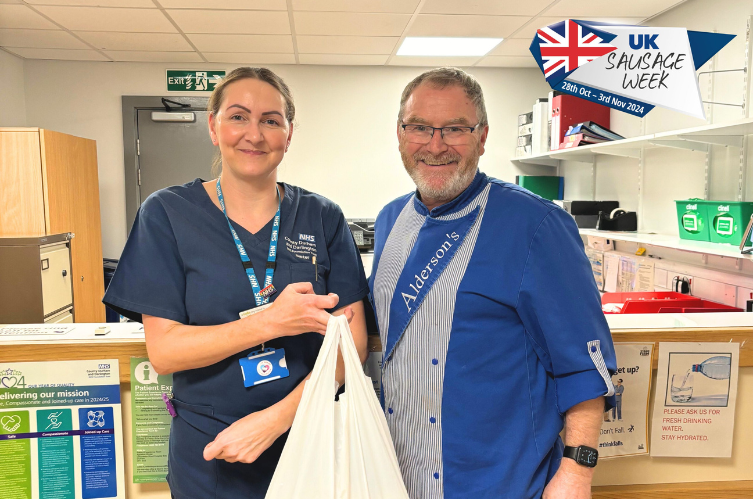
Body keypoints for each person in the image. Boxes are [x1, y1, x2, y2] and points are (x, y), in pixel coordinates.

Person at [103, 67, 369, 499]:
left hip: (309, 437)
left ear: (289, 132)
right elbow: (165, 351)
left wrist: (277, 419)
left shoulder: (322, 217)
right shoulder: (167, 214)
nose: (255, 134)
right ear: (213, 126)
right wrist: (271, 323)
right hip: (211, 450)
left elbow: (351, 345)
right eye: (238, 117)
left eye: (270, 120)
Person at [369, 67, 617, 499]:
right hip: (394, 474)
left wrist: (577, 474)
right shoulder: (391, 220)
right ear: (400, 133)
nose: (436, 144)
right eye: (420, 128)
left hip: (497, 481)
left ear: (482, 137)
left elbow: (583, 363)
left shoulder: (536, 225)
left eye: (455, 129)